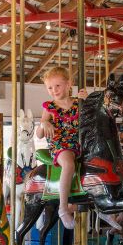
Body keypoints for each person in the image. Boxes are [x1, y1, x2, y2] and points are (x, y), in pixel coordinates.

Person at [36, 66, 88, 230]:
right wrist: (44, 123)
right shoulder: (49, 107)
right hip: (61, 145)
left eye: (58, 86)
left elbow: (91, 120)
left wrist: (87, 101)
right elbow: (38, 135)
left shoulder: (78, 103)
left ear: (69, 83)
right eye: (50, 87)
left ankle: (100, 206)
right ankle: (63, 208)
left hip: (80, 143)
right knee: (69, 164)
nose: (54, 90)